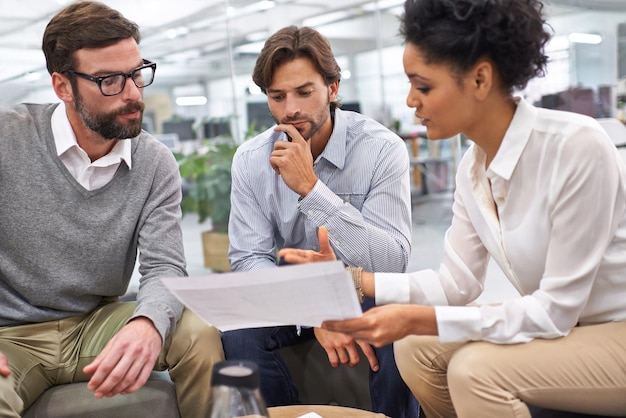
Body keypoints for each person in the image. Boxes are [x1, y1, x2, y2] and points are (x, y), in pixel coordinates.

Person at [278, 0, 626, 417]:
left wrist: (418, 318)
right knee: (415, 349)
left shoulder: (575, 147)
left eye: (422, 86)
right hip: (568, 324)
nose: (410, 101)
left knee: (473, 371)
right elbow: (457, 285)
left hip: (612, 330)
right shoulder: (472, 168)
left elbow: (553, 313)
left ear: (480, 79)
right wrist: (354, 280)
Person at [0, 2, 224, 417]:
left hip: (96, 324)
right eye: (109, 81)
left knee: (198, 331)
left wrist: (147, 324)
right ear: (63, 86)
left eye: (137, 73)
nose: (133, 93)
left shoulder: (155, 162)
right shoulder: (7, 140)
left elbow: (166, 268)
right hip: (10, 337)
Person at [223, 25, 420, 417]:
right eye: (277, 97)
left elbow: (393, 261)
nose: (289, 109)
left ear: (332, 88)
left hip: (366, 288)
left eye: (304, 92)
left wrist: (312, 190)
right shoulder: (250, 159)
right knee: (239, 334)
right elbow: (248, 259)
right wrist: (315, 311)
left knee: (398, 327)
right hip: (291, 288)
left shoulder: (382, 149)